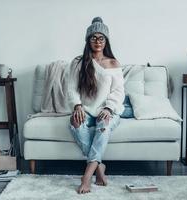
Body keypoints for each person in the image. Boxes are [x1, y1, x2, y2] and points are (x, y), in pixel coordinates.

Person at [67, 17, 125, 194]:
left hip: (107, 110)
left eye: (101, 38)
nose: (97, 41)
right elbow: (71, 88)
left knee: (104, 125)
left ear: (106, 41)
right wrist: (77, 106)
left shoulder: (113, 63)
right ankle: (99, 169)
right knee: (74, 122)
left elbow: (118, 92)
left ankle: (86, 178)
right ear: (87, 40)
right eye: (93, 37)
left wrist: (108, 108)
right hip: (85, 109)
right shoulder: (78, 62)